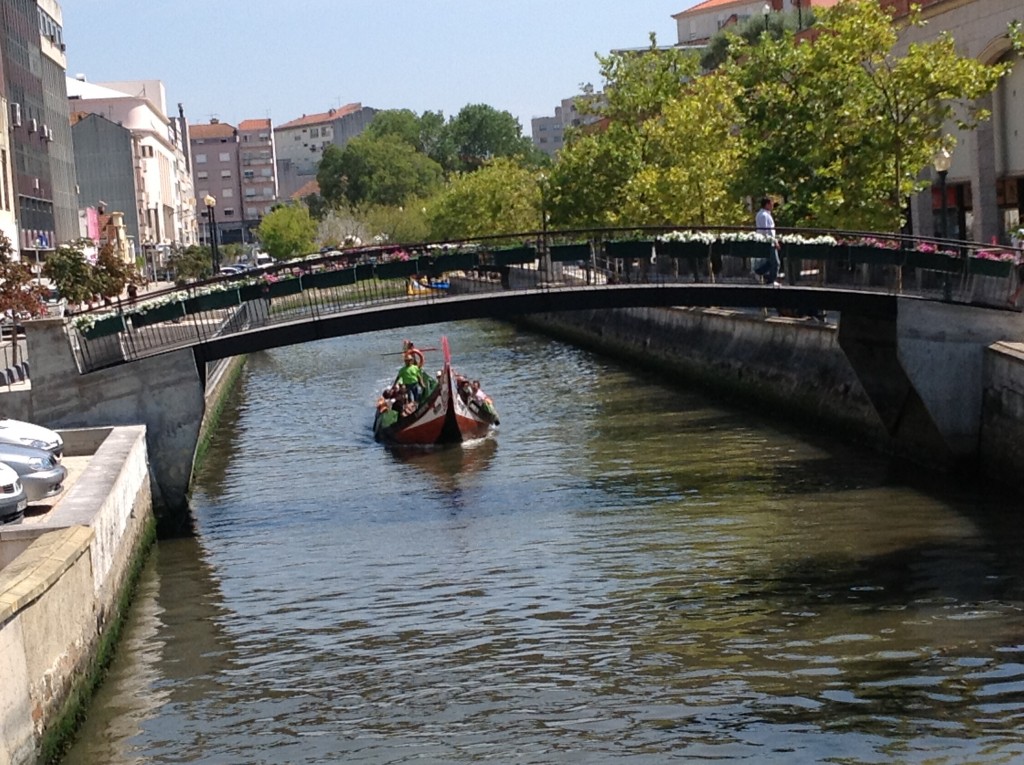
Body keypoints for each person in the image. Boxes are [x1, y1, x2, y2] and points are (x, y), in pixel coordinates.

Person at [753, 197, 781, 286]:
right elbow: (766, 230)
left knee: (771, 262)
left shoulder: (761, 214)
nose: (772, 205)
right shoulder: (764, 215)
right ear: (767, 204)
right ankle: (769, 280)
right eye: (771, 204)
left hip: (768, 241)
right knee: (776, 263)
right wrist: (773, 241)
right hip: (769, 242)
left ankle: (762, 273)